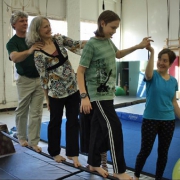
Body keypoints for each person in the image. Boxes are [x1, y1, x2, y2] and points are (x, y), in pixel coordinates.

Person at [77, 10, 152, 180]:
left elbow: (117, 54)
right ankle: (119, 170)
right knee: (114, 128)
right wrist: (84, 96)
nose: (114, 31)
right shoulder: (91, 44)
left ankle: (93, 162)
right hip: (98, 95)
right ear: (102, 23)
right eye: (113, 27)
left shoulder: (108, 42)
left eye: (117, 28)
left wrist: (138, 46)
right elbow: (80, 72)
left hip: (108, 94)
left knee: (97, 129)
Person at [25, 16, 87, 167]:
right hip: (55, 93)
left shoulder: (59, 40)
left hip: (72, 88)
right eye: (45, 26)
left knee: (73, 121)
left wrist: (96, 39)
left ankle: (73, 153)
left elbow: (77, 45)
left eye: (49, 25)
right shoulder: (38, 54)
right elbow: (43, 78)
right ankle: (55, 153)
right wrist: (47, 99)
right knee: (55, 123)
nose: (49, 28)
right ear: (37, 30)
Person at [133, 46, 180, 180]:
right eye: (159, 59)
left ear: (170, 64)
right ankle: (136, 175)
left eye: (165, 60)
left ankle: (158, 177)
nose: (161, 62)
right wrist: (152, 52)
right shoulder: (152, 75)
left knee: (163, 153)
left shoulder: (173, 81)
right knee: (145, 151)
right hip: (150, 119)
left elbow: (174, 102)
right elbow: (147, 75)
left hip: (168, 121)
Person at [6, 11, 44, 152]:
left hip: (39, 79)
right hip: (24, 80)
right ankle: (22, 137)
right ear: (14, 24)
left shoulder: (32, 38)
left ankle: (34, 141)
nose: (25, 23)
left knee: (37, 111)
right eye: (21, 20)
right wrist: (30, 50)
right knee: (22, 110)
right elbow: (14, 57)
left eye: (26, 20)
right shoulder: (12, 42)